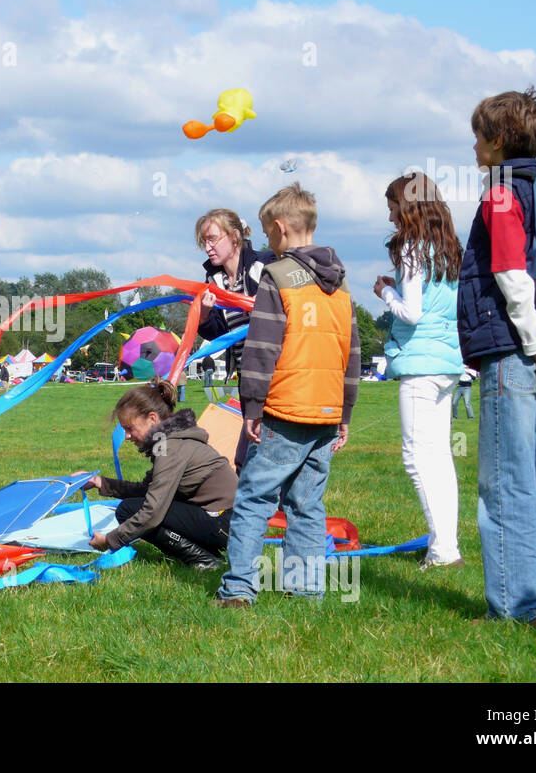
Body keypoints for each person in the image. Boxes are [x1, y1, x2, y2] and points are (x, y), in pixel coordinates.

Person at [458, 86, 536, 624]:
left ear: (499, 140)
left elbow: (511, 274)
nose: (475, 147)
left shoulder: (501, 194)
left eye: (479, 137)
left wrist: (533, 349)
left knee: (505, 481)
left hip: (516, 351)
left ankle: (513, 605)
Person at [216, 183, 359, 608]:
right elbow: (351, 354)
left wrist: (252, 407)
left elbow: (262, 349)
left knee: (254, 499)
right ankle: (305, 588)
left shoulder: (276, 278)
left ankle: (239, 588)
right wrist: (345, 414)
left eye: (266, 234)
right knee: (307, 504)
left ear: (280, 228)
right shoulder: (343, 285)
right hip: (327, 412)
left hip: (285, 409)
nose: (266, 243)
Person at [374, 173, 466, 570]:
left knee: (416, 457)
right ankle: (446, 544)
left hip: (420, 363)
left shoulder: (412, 248)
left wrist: (386, 292)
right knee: (439, 457)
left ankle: (444, 551)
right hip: (447, 362)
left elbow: (412, 313)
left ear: (407, 207)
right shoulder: (447, 249)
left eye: (393, 206)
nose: (391, 215)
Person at [84, 379, 236, 568]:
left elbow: (152, 512)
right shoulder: (169, 441)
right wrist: (100, 483)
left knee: (129, 510)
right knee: (133, 507)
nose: (127, 436)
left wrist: (110, 540)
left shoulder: (170, 447)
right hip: (230, 523)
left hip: (228, 525)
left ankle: (203, 560)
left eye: (129, 428)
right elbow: (145, 490)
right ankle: (207, 552)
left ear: (153, 419)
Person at [193, 208, 276, 472]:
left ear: (235, 236)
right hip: (246, 377)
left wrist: (259, 304)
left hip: (274, 376)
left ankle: (272, 510)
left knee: (258, 456)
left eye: (213, 239)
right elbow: (220, 336)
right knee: (249, 456)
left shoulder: (265, 265)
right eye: (204, 241)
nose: (208, 247)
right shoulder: (214, 280)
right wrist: (204, 315)